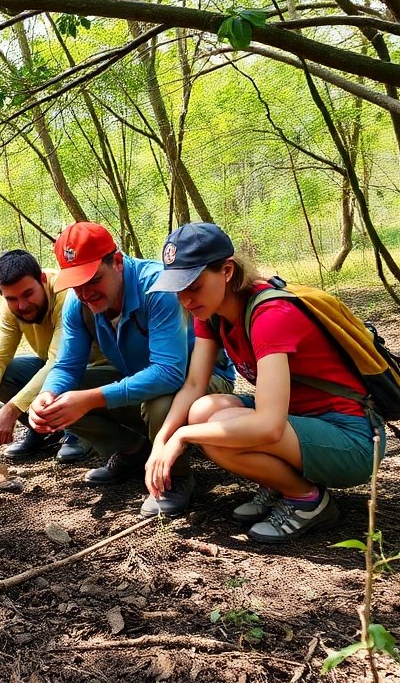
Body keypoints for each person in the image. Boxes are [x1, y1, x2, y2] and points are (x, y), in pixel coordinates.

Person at [143, 222, 382, 543]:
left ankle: (307, 500)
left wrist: (182, 436)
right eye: (178, 288)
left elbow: (269, 426)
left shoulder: (269, 315)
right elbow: (194, 386)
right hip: (299, 423)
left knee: (212, 435)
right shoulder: (211, 314)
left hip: (350, 439)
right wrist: (161, 440)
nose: (185, 299)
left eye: (193, 285)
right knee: (203, 410)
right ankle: (279, 483)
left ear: (226, 271)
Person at [29, 222, 235, 516]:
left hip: (199, 380)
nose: (86, 293)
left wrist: (91, 399)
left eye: (93, 280)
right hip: (140, 378)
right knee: (62, 396)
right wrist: (49, 394)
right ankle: (131, 450)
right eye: (77, 285)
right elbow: (67, 364)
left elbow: (169, 373)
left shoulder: (156, 287)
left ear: (117, 262)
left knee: (159, 401)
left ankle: (174, 479)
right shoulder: (79, 303)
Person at [0, 250, 104, 463]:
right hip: (55, 368)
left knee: (65, 375)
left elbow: (60, 362)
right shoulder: (10, 307)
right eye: (12, 298)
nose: (22, 305)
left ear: (42, 279)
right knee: (6, 374)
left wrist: (12, 409)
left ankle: (79, 433)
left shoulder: (66, 293)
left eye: (28, 294)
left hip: (91, 371)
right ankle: (45, 431)